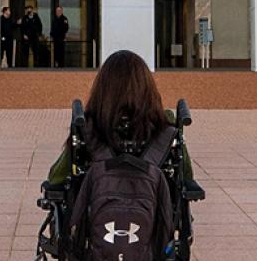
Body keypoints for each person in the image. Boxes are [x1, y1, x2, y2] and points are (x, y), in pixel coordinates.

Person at [44, 49, 194, 188]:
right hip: (152, 209)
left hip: (99, 210)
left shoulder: (90, 126)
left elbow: (57, 177)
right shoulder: (163, 126)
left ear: (103, 90)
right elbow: (186, 176)